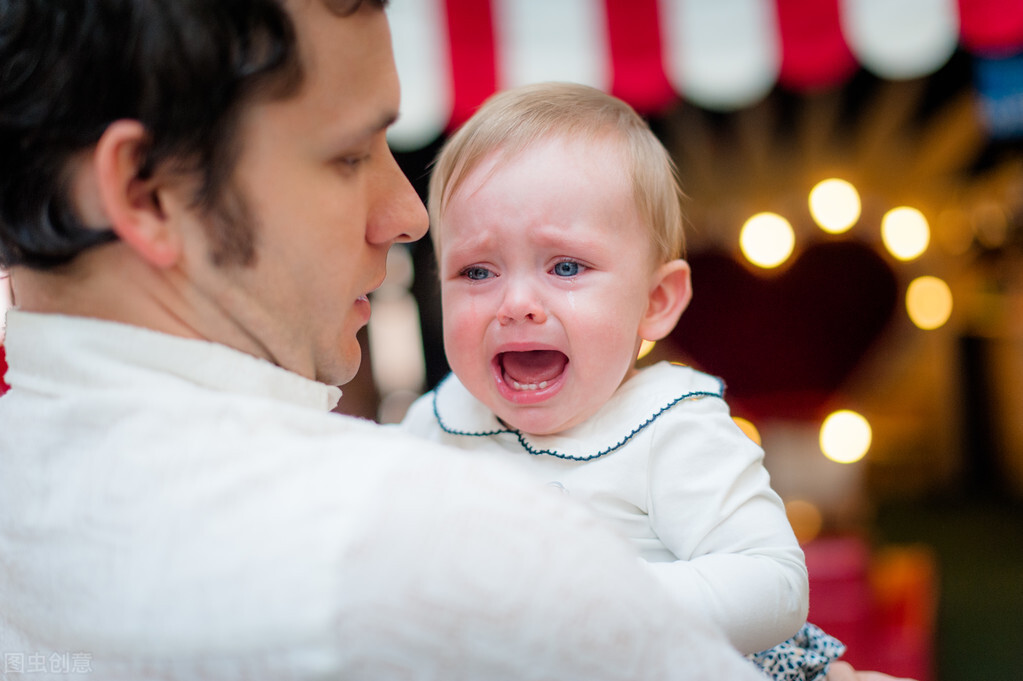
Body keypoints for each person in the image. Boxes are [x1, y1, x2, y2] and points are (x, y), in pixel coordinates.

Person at [0, 2, 770, 679]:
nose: (409, 217)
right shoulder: (424, 542)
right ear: (149, 191)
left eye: (566, 265)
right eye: (349, 154)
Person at [401, 82, 837, 680]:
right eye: (477, 270)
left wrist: (601, 608)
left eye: (566, 266)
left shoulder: (672, 426)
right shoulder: (436, 420)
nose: (517, 303)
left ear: (655, 301)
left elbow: (774, 584)